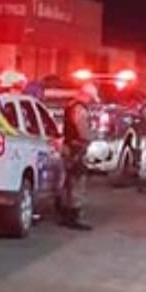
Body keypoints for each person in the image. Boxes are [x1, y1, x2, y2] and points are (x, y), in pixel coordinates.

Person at [57, 80, 96, 229]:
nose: (90, 101)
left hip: (69, 147)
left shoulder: (70, 105)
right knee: (77, 182)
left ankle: (65, 214)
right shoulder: (79, 109)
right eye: (90, 98)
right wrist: (91, 138)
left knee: (68, 182)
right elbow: (83, 131)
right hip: (76, 149)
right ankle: (73, 217)